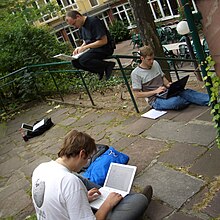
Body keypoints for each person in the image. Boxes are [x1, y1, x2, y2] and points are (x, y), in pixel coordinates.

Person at [32, 129, 153, 220]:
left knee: (79, 177)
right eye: (88, 159)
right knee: (139, 201)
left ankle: (115, 202)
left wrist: (83, 198)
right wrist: (108, 204)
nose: (86, 163)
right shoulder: (69, 182)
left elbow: (58, 202)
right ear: (82, 154)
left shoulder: (40, 168)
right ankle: (131, 201)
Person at [131, 45, 210, 110]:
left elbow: (162, 77)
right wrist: (155, 91)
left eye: (153, 58)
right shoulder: (136, 74)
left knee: (187, 92)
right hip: (155, 99)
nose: (152, 61)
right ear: (142, 58)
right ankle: (190, 99)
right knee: (177, 101)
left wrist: (169, 84)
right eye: (149, 59)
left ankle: (213, 100)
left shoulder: (155, 63)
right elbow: (137, 94)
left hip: (165, 92)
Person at [65, 10, 115, 81]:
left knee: (84, 60)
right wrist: (79, 48)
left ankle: (108, 65)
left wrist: (85, 47)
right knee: (75, 62)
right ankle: (99, 70)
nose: (75, 27)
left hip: (105, 48)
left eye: (74, 23)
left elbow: (104, 41)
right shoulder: (82, 27)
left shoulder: (94, 22)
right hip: (95, 49)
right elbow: (86, 41)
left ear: (78, 17)